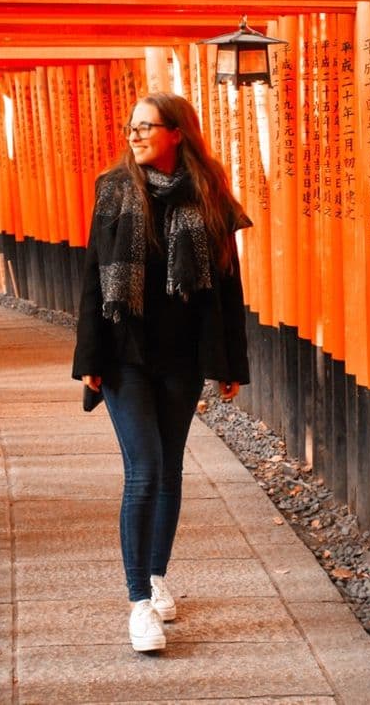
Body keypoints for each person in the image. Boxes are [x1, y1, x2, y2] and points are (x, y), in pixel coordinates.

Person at [72, 92, 251, 652]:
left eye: (146, 126)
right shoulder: (114, 189)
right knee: (145, 469)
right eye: (131, 127)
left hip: (181, 357)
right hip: (126, 354)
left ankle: (156, 575)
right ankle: (138, 603)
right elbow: (94, 274)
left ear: (178, 132)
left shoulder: (209, 196)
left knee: (170, 469)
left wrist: (229, 363)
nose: (135, 134)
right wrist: (89, 360)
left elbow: (225, 288)